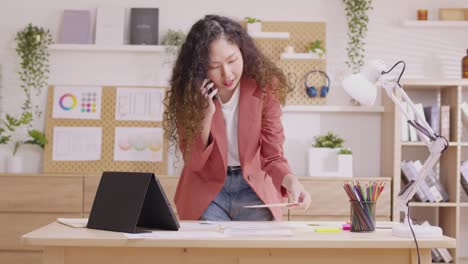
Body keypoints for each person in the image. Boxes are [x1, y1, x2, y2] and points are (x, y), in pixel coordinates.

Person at [163, 15, 311, 221]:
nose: (227, 74)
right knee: (209, 252)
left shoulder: (265, 85)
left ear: (243, 51)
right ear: (200, 68)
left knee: (258, 252)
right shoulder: (189, 94)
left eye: (232, 60)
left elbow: (272, 156)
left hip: (254, 188)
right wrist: (205, 115)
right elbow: (194, 162)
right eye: (214, 66)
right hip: (207, 191)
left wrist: (292, 182)